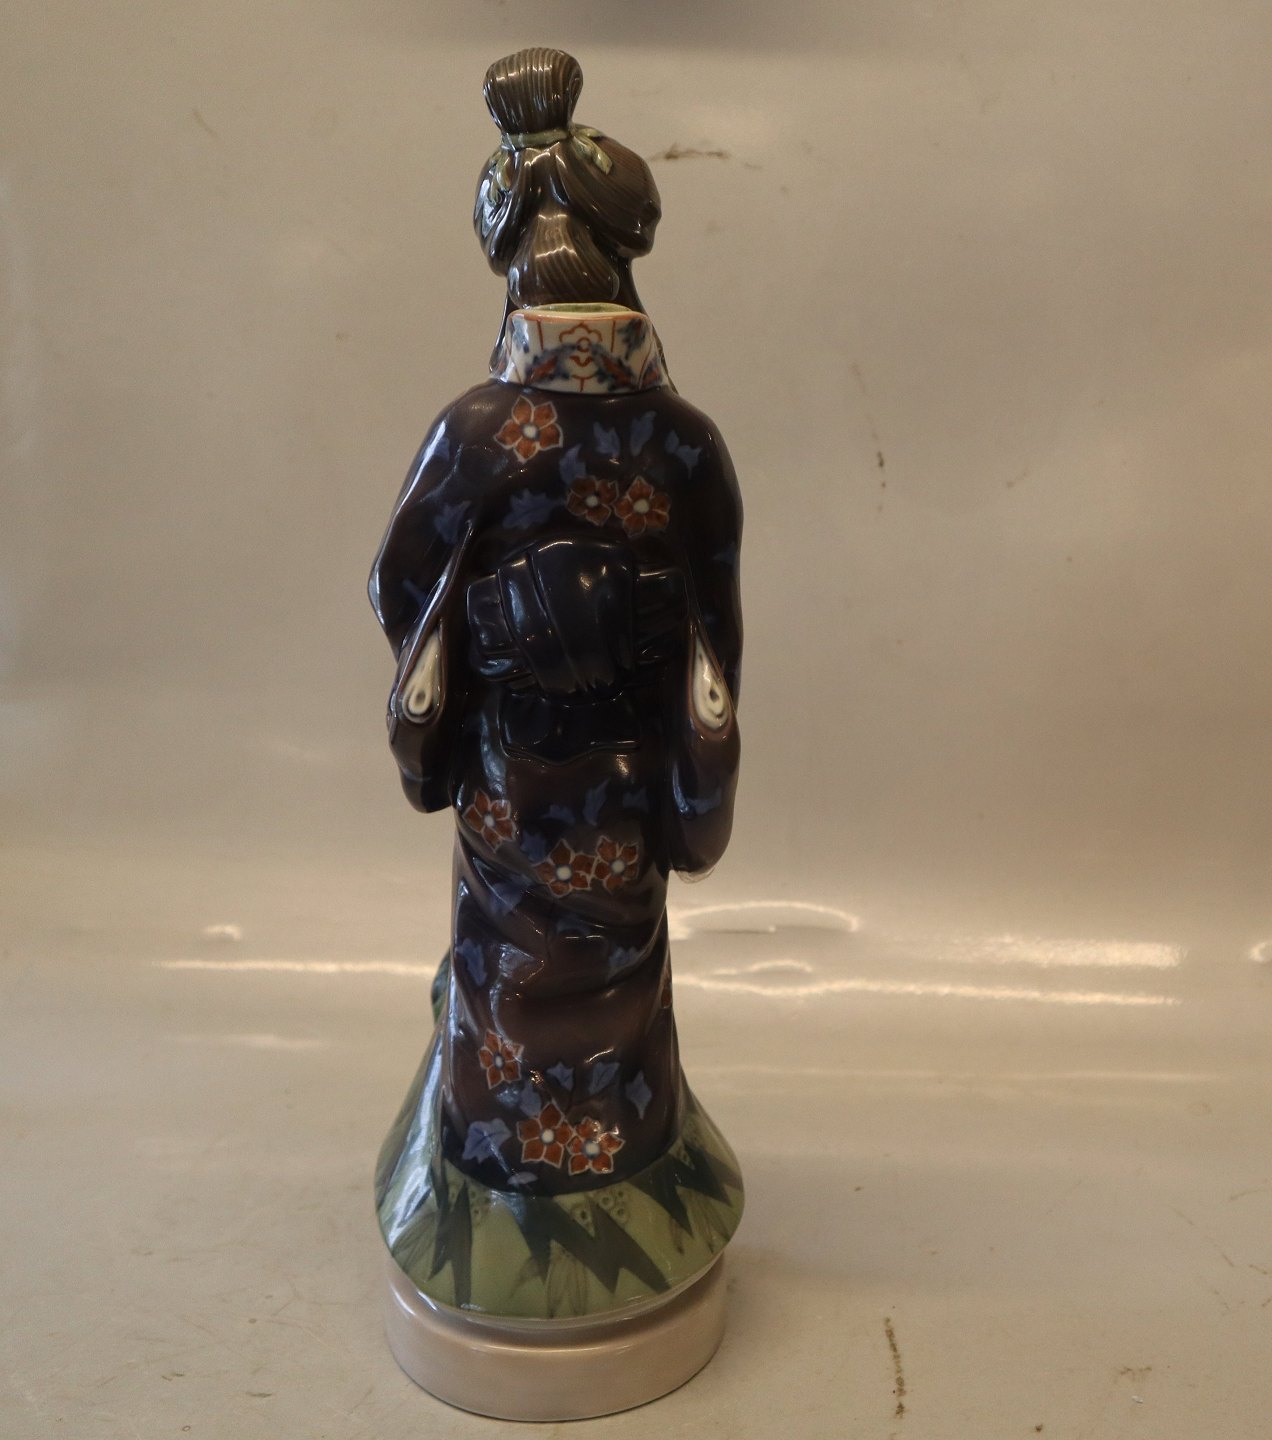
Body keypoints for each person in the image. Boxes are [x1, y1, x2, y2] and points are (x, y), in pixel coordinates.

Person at [370, 47, 744, 1320]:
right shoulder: (683, 442)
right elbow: (714, 632)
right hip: (625, 777)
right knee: (615, 967)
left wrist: (477, 657)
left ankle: (492, 1207)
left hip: (509, 772)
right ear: (629, 257)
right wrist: (688, 761)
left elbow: (397, 585)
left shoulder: (480, 431)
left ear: (510, 266)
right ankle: (634, 1178)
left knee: (509, 970)